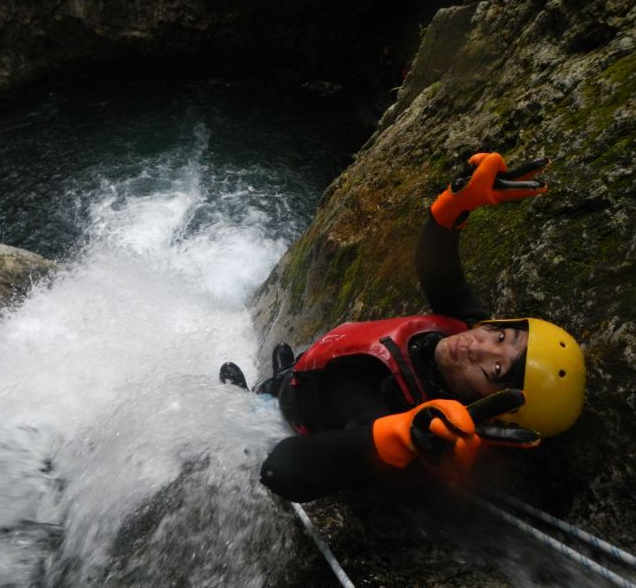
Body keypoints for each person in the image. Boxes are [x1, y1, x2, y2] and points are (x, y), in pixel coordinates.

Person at [220, 152, 586, 503]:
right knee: (292, 366)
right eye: (503, 335)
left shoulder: (403, 420)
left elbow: (281, 469)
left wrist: (401, 436)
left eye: (495, 369)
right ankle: (282, 369)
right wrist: (452, 208)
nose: (480, 345)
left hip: (299, 404)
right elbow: (439, 272)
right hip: (317, 369)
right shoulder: (467, 330)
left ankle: (247, 398)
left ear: (490, 406)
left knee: (273, 393)